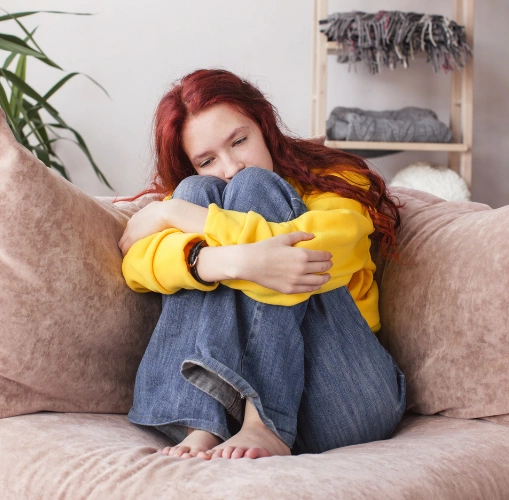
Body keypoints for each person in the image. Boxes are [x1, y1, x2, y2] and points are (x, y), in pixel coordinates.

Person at [118, 69, 406, 461]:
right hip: (228, 410)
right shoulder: (193, 195)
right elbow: (135, 265)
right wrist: (231, 260)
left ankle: (264, 422)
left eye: (239, 141)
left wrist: (176, 216)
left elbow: (312, 251)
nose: (230, 166)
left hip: (343, 393)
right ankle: (202, 422)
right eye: (207, 160)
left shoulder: (335, 180)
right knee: (196, 191)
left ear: (264, 126)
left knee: (255, 186)